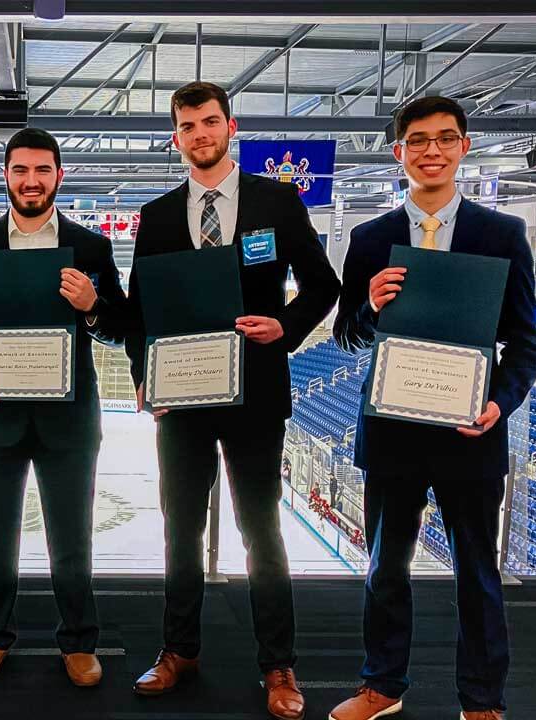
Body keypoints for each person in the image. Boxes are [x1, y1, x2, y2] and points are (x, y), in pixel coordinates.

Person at [123, 81, 340, 719]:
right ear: (176, 137)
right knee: (181, 533)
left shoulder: (277, 201)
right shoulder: (159, 216)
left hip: (255, 395)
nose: (200, 134)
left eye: (210, 122)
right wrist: (144, 374)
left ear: (230, 127)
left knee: (261, 532)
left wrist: (285, 328)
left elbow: (323, 285)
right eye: (187, 126)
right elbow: (142, 310)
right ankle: (177, 650)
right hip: (183, 399)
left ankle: (278, 664)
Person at [328, 96, 536, 720]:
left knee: (477, 576)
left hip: (470, 434)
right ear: (399, 153)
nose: (432, 151)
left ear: (464, 147)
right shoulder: (370, 239)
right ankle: (382, 687)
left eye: (445, 139)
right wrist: (368, 305)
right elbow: (348, 335)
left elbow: (525, 343)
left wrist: (499, 405)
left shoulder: (500, 235)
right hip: (393, 431)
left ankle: (482, 701)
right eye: (418, 140)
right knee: (385, 571)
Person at [0, 128, 129, 688]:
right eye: (21, 170)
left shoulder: (91, 248)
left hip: (68, 419)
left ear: (58, 177)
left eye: (42, 170)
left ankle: (77, 642)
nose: (31, 180)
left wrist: (93, 307)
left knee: (72, 540)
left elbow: (119, 325)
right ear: (6, 175)